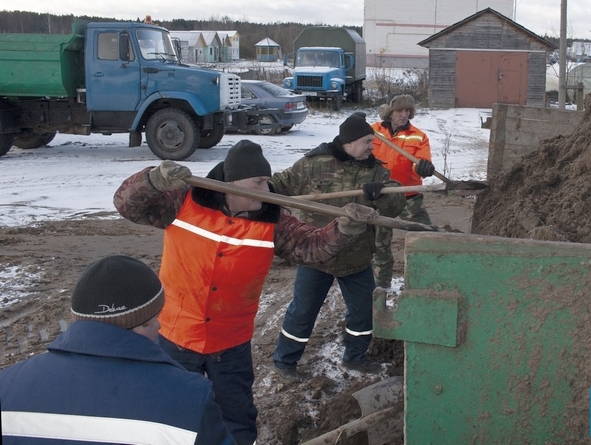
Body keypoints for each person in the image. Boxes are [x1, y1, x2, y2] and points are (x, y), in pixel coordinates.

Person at [113, 140, 376, 445]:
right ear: (232, 184)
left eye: (267, 182)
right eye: (259, 182)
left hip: (231, 342)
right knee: (168, 409)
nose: (266, 190)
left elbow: (311, 248)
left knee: (236, 415)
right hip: (176, 333)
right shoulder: (183, 201)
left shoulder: (273, 221)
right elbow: (127, 204)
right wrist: (152, 180)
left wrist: (343, 228)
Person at [0, 255, 236, 445]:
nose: (160, 325)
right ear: (142, 323)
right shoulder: (190, 398)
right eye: (155, 317)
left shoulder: (6, 385)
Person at [271, 113, 406, 383]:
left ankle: (354, 357)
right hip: (316, 256)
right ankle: (285, 362)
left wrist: (381, 194)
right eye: (368, 141)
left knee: (364, 311)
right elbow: (278, 185)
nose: (372, 146)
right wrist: (253, 189)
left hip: (355, 257)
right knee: (303, 311)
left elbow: (397, 205)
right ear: (349, 143)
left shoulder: (377, 172)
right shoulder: (313, 164)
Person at [370, 94, 436, 288]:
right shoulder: (373, 131)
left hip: (409, 196)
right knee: (378, 244)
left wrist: (423, 167)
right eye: (400, 110)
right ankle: (381, 285)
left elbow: (421, 160)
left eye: (408, 111)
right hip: (381, 196)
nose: (404, 115)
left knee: (423, 237)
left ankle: (423, 283)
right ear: (390, 112)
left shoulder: (418, 136)